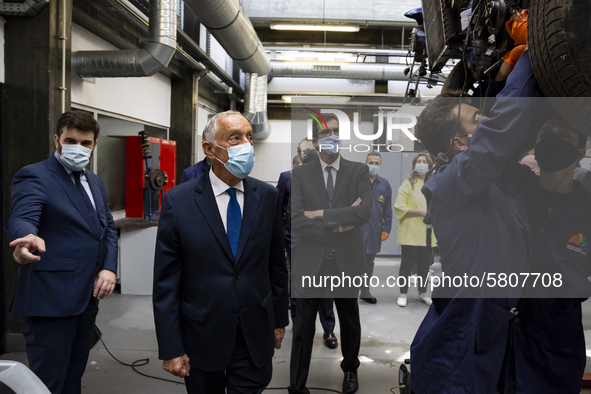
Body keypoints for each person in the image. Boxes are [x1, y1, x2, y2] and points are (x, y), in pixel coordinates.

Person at [410, 49, 551, 393]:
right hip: (459, 344)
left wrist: (500, 75)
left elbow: (493, 133)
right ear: (459, 142)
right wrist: (532, 53)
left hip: (486, 330)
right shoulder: (449, 182)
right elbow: (499, 134)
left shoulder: (482, 182)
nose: (485, 121)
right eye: (476, 121)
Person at [152, 110, 289, 394]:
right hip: (202, 335)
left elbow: (276, 265)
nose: (246, 145)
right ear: (209, 149)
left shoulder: (267, 197)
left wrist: (278, 320)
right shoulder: (179, 201)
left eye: (249, 137)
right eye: (235, 138)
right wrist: (170, 346)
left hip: (254, 332)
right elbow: (166, 281)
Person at [5, 110, 118, 394]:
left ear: (94, 145)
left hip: (86, 298)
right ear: (57, 140)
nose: (78, 148)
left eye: (86, 143)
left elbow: (107, 229)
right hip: (50, 299)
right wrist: (25, 237)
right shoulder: (35, 175)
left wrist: (109, 267)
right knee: (48, 383)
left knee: (72, 378)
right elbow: (22, 216)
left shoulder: (94, 181)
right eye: (71, 140)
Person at [506, 118, 591, 393]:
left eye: (563, 134)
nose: (552, 139)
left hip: (557, 338)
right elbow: (500, 140)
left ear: (580, 151)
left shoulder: (587, 209)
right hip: (503, 331)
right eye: (544, 134)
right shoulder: (515, 189)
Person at [289, 114, 372, 394]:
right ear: (315, 140)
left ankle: (350, 370)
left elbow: (363, 212)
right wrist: (338, 225)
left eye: (336, 131)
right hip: (311, 259)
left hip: (346, 260)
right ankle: (297, 385)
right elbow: (297, 219)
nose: (332, 136)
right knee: (302, 326)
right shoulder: (300, 174)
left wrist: (321, 215)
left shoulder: (357, 171)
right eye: (326, 133)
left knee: (349, 320)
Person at [278, 145, 338, 349]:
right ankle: (298, 324)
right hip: (295, 241)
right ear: (298, 154)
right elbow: (280, 210)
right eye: (307, 149)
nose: (311, 152)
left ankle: (328, 328)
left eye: (314, 149)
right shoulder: (287, 177)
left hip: (323, 241)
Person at [393, 153, 436, 307]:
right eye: (419, 161)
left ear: (430, 166)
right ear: (414, 165)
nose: (422, 164)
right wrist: (420, 212)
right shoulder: (408, 184)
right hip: (410, 232)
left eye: (424, 162)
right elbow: (399, 206)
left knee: (425, 264)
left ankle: (422, 293)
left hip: (428, 233)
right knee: (407, 264)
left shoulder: (434, 183)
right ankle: (403, 293)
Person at [359, 152, 392, 304]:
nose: (373, 166)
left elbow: (387, 210)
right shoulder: (357, 182)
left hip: (374, 231)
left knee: (369, 261)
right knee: (354, 261)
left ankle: (365, 290)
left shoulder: (385, 185)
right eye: (370, 162)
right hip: (356, 230)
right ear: (365, 163)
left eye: (376, 163)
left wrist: (386, 228)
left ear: (380, 165)